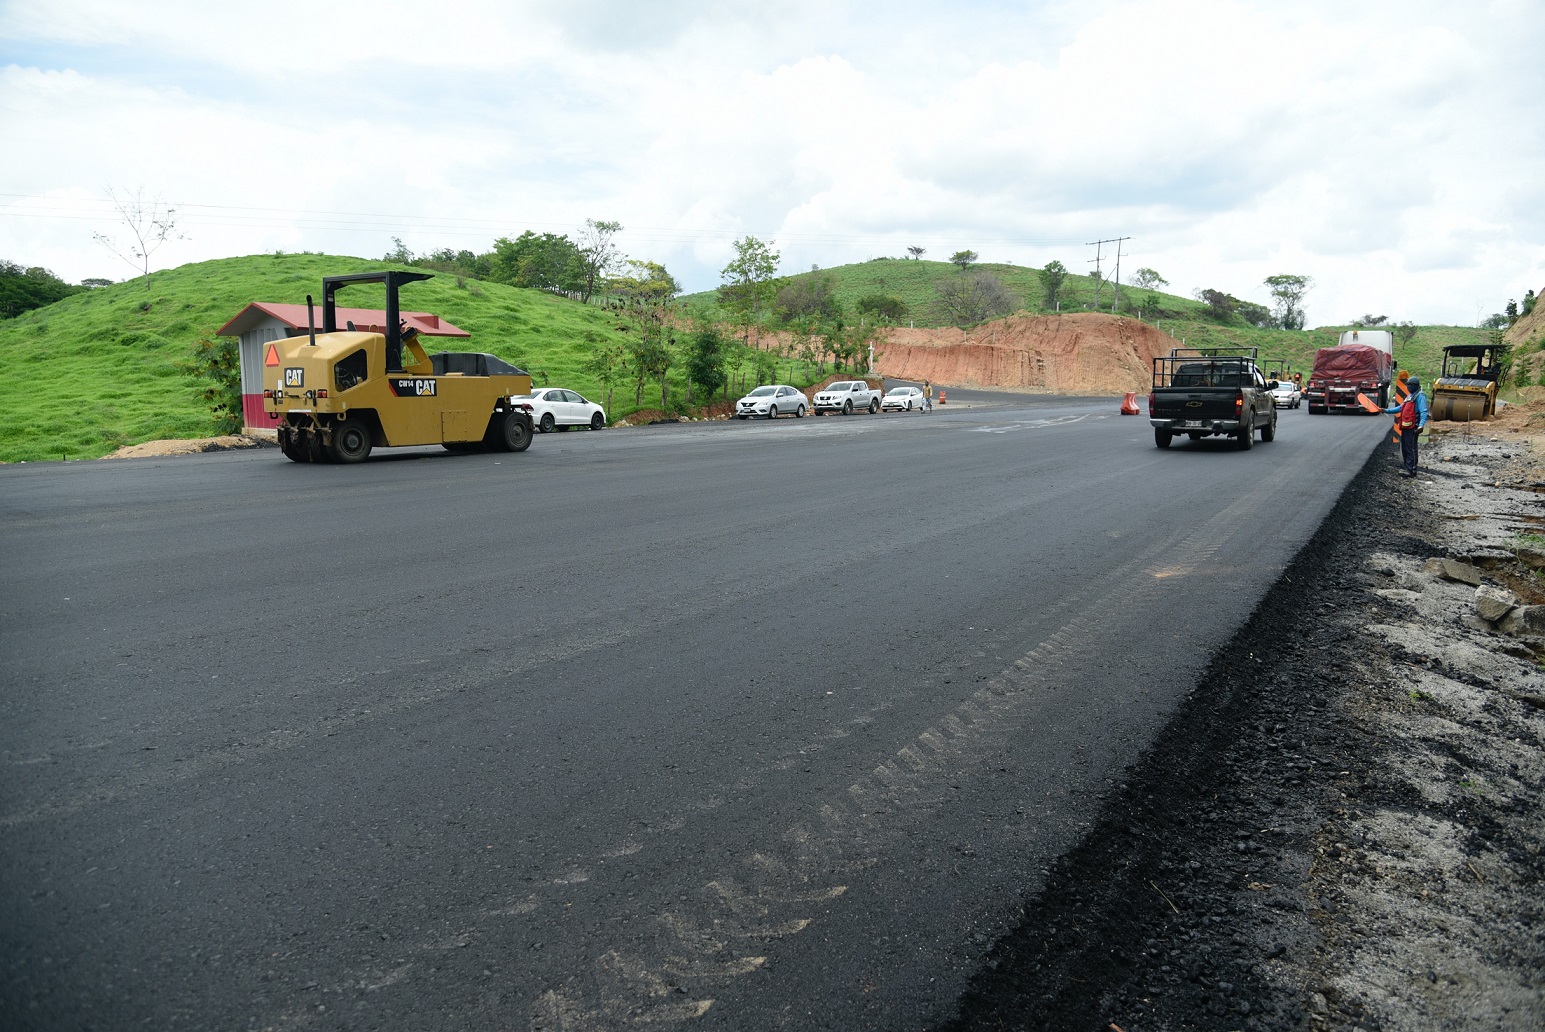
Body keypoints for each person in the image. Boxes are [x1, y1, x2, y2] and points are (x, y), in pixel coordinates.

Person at [1385, 375, 1428, 476]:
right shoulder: (1409, 396)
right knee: (1405, 447)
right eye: (1408, 385)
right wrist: (1385, 410)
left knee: (1411, 448)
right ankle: (1407, 467)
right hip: (1406, 426)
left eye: (1411, 385)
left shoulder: (1420, 396)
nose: (1409, 386)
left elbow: (1423, 412)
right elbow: (1400, 408)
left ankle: (1411, 470)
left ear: (1416, 385)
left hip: (1414, 427)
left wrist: (1421, 426)